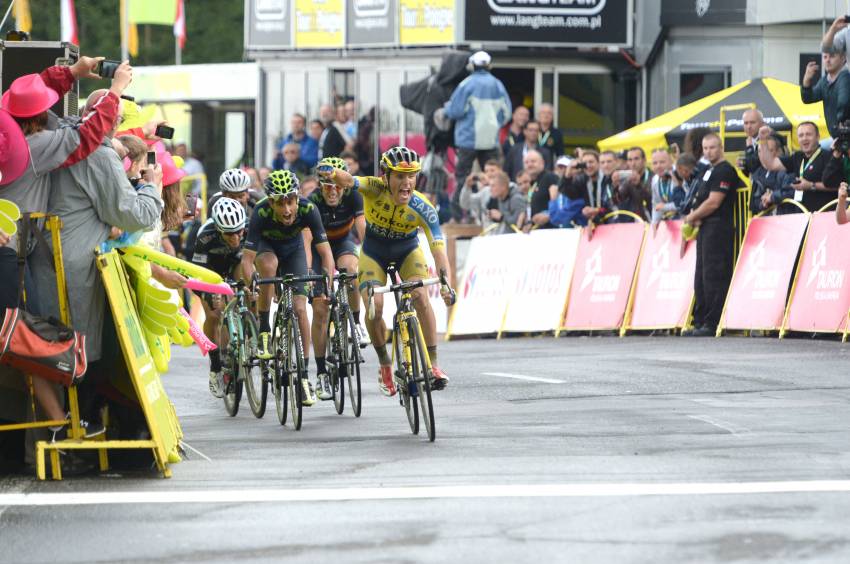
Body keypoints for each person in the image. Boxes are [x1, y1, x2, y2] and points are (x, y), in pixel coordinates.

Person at [0, 56, 130, 435]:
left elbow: (31, 89)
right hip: (13, 253)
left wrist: (73, 72)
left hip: (12, 249)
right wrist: (117, 89)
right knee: (21, 338)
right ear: (41, 116)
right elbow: (88, 136)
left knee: (22, 337)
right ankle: (61, 419)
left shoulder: (8, 130)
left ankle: (58, 419)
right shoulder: (36, 147)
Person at [32, 88, 164, 430]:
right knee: (82, 352)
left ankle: (64, 428)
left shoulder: (60, 138)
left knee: (49, 348)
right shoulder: (99, 154)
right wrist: (151, 186)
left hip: (42, 258)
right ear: (110, 120)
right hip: (79, 268)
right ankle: (81, 428)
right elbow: (132, 214)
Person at [319, 146, 456, 396]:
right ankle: (384, 364)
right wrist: (334, 175)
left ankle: (433, 365)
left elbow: (438, 248)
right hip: (374, 252)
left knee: (420, 296)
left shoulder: (423, 207)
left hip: (407, 250)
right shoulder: (374, 187)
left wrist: (446, 283)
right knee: (375, 305)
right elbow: (349, 180)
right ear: (386, 176)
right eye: (400, 176)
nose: (407, 183)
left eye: (412, 176)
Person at [240, 170, 334, 407]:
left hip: (293, 251)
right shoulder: (260, 212)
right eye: (280, 203)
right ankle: (264, 328)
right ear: (270, 202)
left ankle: (303, 376)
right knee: (269, 266)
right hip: (267, 247)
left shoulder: (308, 210)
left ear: (297, 198)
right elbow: (247, 260)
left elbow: (325, 253)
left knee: (301, 309)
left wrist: (328, 278)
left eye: (290, 201)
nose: (287, 209)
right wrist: (252, 283)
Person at [307, 157, 369, 401]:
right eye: (327, 186)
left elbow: (362, 231)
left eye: (337, 186)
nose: (332, 191)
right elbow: (305, 240)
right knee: (321, 309)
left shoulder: (355, 196)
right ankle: (321, 372)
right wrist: (310, 272)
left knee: (352, 272)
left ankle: (356, 322)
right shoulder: (311, 202)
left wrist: (370, 256)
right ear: (320, 185)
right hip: (317, 248)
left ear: (344, 185)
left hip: (342, 242)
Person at [683, 133, 743, 336]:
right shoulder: (708, 171)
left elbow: (713, 202)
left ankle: (712, 321)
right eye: (705, 148)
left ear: (721, 147)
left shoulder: (725, 170)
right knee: (701, 275)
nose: (708, 151)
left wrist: (692, 217)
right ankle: (700, 320)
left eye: (712, 147)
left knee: (714, 275)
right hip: (705, 226)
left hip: (718, 227)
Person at [444, 51, 512, 221]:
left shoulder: (466, 84)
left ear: (472, 65)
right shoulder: (498, 85)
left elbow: (455, 111)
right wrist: (494, 124)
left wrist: (445, 108)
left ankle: (458, 217)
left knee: (462, 178)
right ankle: (493, 213)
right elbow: (507, 113)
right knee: (494, 177)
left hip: (468, 140)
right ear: (489, 66)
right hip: (490, 140)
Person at [189, 198, 247, 398]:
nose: (236, 237)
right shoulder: (205, 235)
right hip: (209, 270)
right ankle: (215, 365)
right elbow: (197, 272)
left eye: (239, 231)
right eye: (230, 234)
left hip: (234, 264)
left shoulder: (247, 229)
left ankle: (249, 335)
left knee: (248, 281)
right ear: (219, 230)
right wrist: (209, 292)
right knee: (214, 313)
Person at [758, 122, 833, 212]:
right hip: (802, 216)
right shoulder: (797, 156)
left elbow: (838, 185)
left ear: (818, 137)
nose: (804, 138)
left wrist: (811, 185)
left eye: (808, 134)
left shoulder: (828, 157)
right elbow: (770, 164)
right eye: (801, 135)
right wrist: (763, 140)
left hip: (824, 215)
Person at [801, 49, 850, 139]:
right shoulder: (824, 81)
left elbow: (844, 103)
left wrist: (839, 125)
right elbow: (807, 99)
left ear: (843, 58)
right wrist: (806, 80)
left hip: (844, 136)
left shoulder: (846, 76)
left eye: (832, 56)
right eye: (825, 57)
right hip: (838, 136)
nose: (827, 60)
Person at [748, 132, 796, 215]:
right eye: (759, 151)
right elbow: (754, 203)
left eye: (769, 150)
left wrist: (772, 197)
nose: (763, 155)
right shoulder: (757, 174)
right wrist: (763, 203)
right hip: (766, 223)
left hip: (787, 220)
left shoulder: (789, 169)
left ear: (779, 152)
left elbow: (792, 192)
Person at [562, 150, 613, 225]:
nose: (588, 165)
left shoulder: (608, 178)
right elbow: (569, 193)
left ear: (598, 163)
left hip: (611, 223)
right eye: (585, 163)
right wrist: (568, 173)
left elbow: (613, 205)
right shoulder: (582, 180)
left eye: (591, 162)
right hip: (594, 224)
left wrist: (597, 210)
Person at [523, 150, 560, 231]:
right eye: (526, 162)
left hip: (552, 230)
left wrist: (548, 214)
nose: (529, 164)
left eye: (533, 161)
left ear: (542, 163)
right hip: (537, 230)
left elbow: (561, 202)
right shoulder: (533, 183)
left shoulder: (550, 177)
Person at [613, 147, 652, 221]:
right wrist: (615, 187)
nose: (633, 163)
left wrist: (638, 185)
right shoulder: (628, 180)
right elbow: (617, 201)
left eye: (636, 159)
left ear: (644, 160)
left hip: (653, 221)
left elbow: (651, 201)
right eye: (630, 160)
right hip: (636, 223)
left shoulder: (653, 177)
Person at [649, 149, 685, 224]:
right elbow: (656, 205)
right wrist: (654, 222)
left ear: (671, 162)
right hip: (669, 222)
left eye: (662, 162)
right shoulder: (655, 180)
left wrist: (664, 207)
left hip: (685, 219)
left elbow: (684, 202)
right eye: (655, 163)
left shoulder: (679, 175)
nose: (658, 166)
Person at [736, 109, 765, 177]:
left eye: (752, 122)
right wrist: (742, 165)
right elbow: (749, 172)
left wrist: (749, 148)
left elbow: (754, 167)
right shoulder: (749, 140)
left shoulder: (769, 139)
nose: (749, 126)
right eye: (746, 123)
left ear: (762, 124)